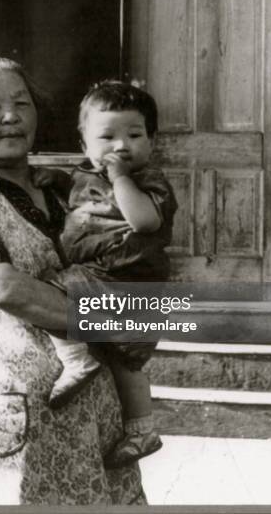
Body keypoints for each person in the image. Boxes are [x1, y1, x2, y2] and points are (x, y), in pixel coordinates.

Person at [0, 56, 146, 505]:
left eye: (22, 103)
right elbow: (3, 288)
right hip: (15, 403)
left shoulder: (67, 189)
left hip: (95, 403)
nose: (11, 116)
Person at [35, 80, 178, 467]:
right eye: (108, 137)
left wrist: (119, 179)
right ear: (84, 146)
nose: (121, 146)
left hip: (125, 282)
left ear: (151, 142)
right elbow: (84, 191)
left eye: (134, 135)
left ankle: (76, 358)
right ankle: (142, 429)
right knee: (123, 360)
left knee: (46, 288)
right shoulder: (86, 176)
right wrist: (59, 179)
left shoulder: (149, 182)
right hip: (107, 281)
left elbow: (144, 221)